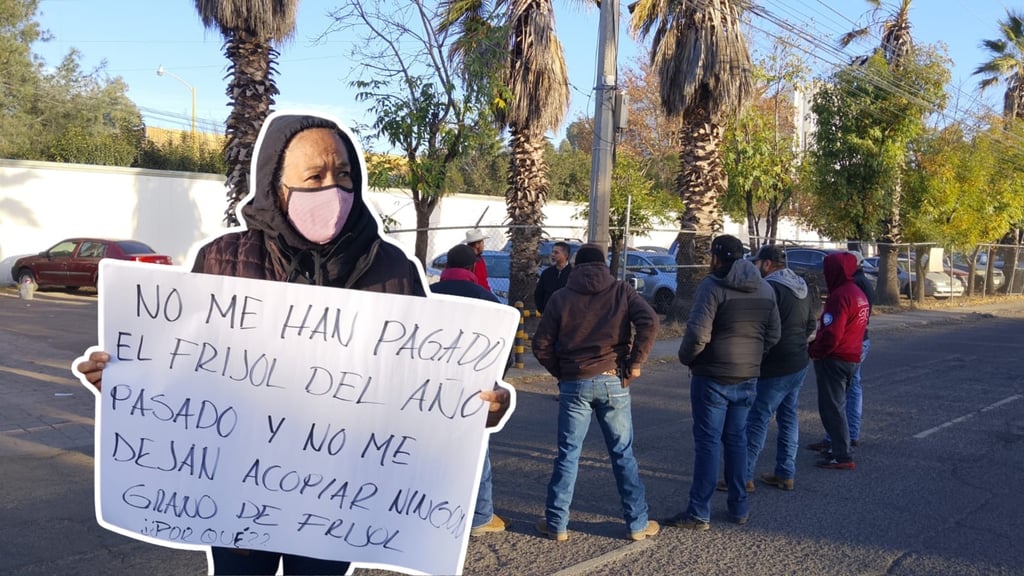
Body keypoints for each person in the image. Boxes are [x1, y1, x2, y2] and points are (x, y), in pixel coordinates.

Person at [74, 111, 512, 575]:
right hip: (235, 500)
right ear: (277, 186)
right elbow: (184, 366)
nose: (333, 190)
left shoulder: (392, 268)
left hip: (340, 505)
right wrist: (127, 383)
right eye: (315, 177)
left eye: (343, 175)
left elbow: (424, 384)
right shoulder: (222, 259)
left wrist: (481, 407)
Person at [531, 243, 660, 542]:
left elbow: (541, 345)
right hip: (613, 378)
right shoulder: (622, 291)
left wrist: (562, 373)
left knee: (568, 454)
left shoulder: (560, 297)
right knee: (622, 453)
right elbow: (650, 321)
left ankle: (557, 524)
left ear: (576, 266)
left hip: (575, 381)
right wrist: (636, 361)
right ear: (604, 265)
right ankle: (637, 523)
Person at [666, 235, 780, 531]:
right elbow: (773, 334)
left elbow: (698, 335)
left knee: (707, 443)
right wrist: (755, 356)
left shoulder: (712, 286)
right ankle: (738, 507)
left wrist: (687, 358)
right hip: (747, 376)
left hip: (712, 376)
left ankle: (699, 512)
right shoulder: (765, 288)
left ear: (716, 257)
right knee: (737, 440)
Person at [430, 243, 507, 537]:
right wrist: (497, 381)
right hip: (475, 386)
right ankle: (480, 515)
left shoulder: (427, 297)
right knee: (477, 451)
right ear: (474, 268)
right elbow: (504, 347)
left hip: (430, 386)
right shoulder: (487, 300)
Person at [745, 245, 817, 491]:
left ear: (767, 264)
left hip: (775, 364)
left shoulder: (770, 288)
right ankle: (786, 473)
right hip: (798, 361)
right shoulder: (803, 286)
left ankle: (744, 476)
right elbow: (811, 326)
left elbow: (760, 328)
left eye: (757, 263)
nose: (756, 268)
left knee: (758, 418)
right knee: (788, 417)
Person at [808, 252, 870, 470]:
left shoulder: (839, 296)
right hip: (852, 355)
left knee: (831, 408)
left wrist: (815, 350)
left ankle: (842, 454)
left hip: (835, 358)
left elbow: (832, 333)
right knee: (839, 406)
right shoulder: (857, 293)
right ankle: (839, 448)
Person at [534, 241, 573, 314]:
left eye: (556, 253)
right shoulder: (547, 273)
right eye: (552, 252)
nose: (552, 255)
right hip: (549, 314)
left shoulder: (573, 274)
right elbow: (539, 293)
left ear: (566, 255)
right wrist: (543, 310)